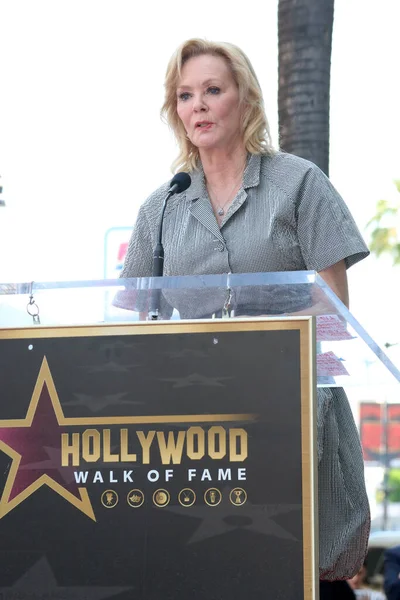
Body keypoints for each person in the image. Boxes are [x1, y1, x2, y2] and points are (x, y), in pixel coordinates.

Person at [119, 38, 371, 597]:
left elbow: (334, 314)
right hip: (199, 427)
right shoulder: (161, 207)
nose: (198, 106)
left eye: (213, 90)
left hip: (295, 416)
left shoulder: (300, 183)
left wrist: (266, 364)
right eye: (185, 96)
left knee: (305, 576)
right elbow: (131, 328)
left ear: (245, 99)